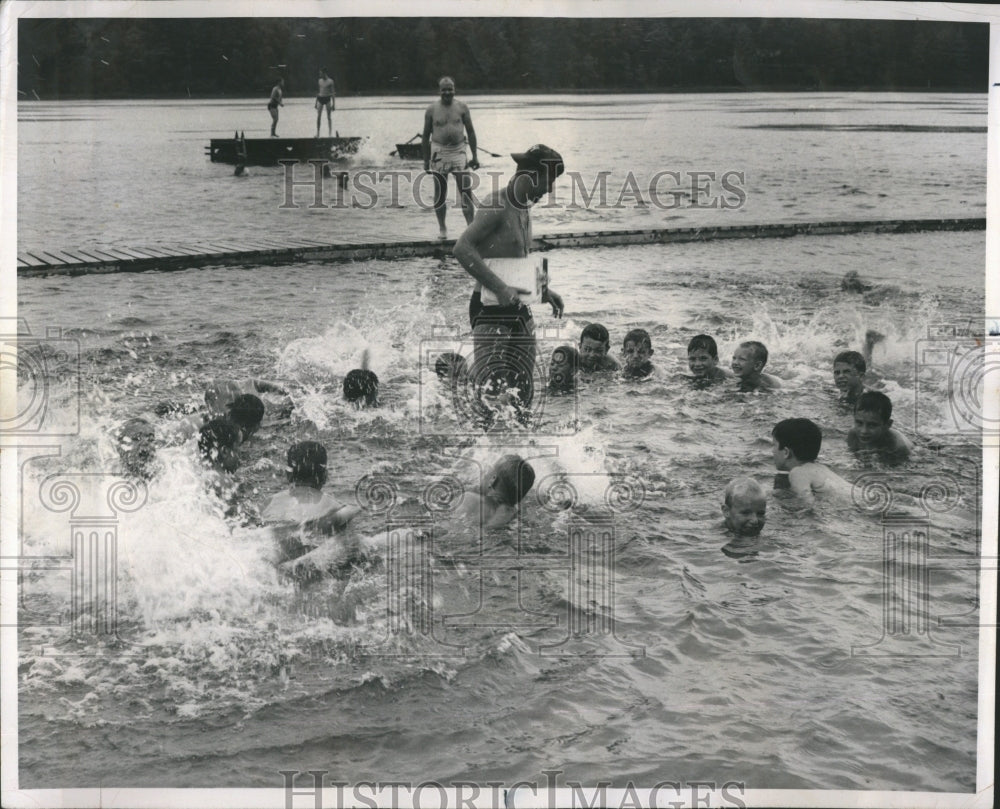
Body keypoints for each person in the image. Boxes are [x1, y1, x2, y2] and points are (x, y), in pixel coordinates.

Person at [453, 144, 566, 419]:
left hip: (517, 307)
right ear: (529, 175)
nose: (548, 190)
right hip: (489, 310)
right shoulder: (497, 204)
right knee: (490, 397)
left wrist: (543, 289)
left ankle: (523, 448)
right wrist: (500, 288)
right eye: (547, 182)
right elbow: (462, 248)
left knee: (524, 392)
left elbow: (513, 259)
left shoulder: (523, 207)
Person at [263, 441, 363, 573]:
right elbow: (352, 554)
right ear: (325, 476)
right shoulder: (334, 507)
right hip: (313, 564)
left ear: (288, 475)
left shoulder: (267, 504)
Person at [423, 76, 480, 240]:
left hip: (459, 151)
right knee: (440, 192)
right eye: (444, 90)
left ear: (454, 90)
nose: (447, 92)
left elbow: (471, 132)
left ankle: (471, 229)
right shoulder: (431, 109)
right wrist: (426, 161)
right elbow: (426, 135)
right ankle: (442, 229)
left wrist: (475, 156)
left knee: (466, 191)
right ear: (439, 91)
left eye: (450, 89)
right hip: (438, 152)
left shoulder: (462, 107)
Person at [771, 418, 851, 503]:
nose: (772, 451)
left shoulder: (798, 473)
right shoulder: (821, 468)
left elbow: (807, 506)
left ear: (786, 452)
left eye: (774, 445)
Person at [451, 454, 536, 530]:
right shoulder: (514, 515)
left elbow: (449, 526)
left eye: (488, 472)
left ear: (493, 479)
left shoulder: (468, 499)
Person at [847, 391, 912, 462]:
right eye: (859, 423)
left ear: (888, 425)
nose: (864, 431)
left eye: (872, 425)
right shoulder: (853, 434)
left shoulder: (897, 446)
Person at [315, 68, 335, 138]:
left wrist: (334, 104)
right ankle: (318, 133)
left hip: (327, 99)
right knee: (318, 116)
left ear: (324, 73)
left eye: (321, 73)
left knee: (329, 117)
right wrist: (315, 103)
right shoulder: (319, 81)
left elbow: (332, 93)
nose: (320, 75)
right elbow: (318, 92)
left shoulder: (330, 81)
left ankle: (330, 134)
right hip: (320, 98)